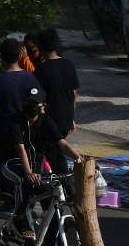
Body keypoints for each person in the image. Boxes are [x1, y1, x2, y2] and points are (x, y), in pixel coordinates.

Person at [0, 87, 83, 241]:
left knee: (51, 203)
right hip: (13, 163)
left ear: (43, 106)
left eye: (36, 104)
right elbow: (20, 149)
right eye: (29, 103)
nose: (32, 107)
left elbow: (61, 142)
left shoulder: (46, 121)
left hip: (36, 166)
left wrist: (79, 159)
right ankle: (19, 218)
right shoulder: (16, 121)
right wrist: (28, 172)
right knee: (25, 181)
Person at [0, 38, 36, 186]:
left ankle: (7, 197)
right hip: (24, 128)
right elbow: (38, 103)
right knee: (22, 161)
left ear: (1, 57)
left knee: (3, 164)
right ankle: (21, 194)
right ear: (21, 55)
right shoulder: (30, 77)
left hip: (4, 129)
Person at [34, 29, 80, 162]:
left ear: (41, 47)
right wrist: (72, 117)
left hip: (50, 120)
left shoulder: (41, 70)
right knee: (57, 149)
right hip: (66, 118)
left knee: (51, 153)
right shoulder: (69, 65)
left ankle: (58, 179)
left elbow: (38, 99)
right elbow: (74, 93)